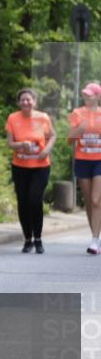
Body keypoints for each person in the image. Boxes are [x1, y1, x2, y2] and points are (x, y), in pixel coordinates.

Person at [5, 88, 55, 253]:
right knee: (23, 202)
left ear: (34, 102)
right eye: (23, 100)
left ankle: (38, 239)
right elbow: (10, 143)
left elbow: (52, 136)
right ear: (19, 103)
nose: (26, 103)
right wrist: (20, 145)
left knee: (35, 200)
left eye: (29, 100)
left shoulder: (43, 118)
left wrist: (46, 150)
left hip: (40, 166)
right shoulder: (13, 118)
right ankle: (28, 239)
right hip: (20, 166)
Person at [68, 82, 101, 255]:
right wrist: (79, 130)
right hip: (83, 160)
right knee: (89, 201)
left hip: (100, 161)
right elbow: (69, 139)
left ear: (98, 96)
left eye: (90, 95)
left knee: (96, 200)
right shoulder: (77, 113)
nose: (87, 97)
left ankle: (95, 241)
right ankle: (95, 235)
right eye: (85, 95)